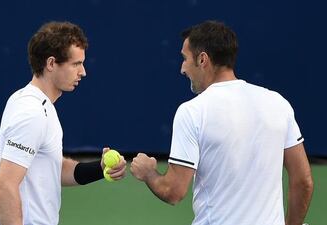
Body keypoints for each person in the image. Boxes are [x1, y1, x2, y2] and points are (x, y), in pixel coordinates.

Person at [130, 20, 313, 225]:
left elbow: (173, 191)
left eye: (184, 58)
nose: (182, 68)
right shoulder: (278, 103)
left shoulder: (192, 112)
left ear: (202, 60)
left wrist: (148, 172)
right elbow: (303, 181)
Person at [0, 21, 126, 225]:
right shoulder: (32, 113)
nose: (83, 72)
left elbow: (52, 168)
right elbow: (4, 187)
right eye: (76, 64)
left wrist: (101, 167)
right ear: (51, 64)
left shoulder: (33, 103)